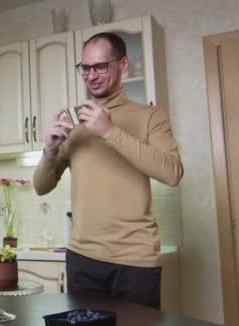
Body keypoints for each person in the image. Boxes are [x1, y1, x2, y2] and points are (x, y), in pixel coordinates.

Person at [32, 32, 184, 309]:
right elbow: (41, 186)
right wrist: (50, 151)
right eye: (85, 68)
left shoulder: (151, 116)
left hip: (135, 260)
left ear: (123, 65)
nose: (92, 76)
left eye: (100, 66)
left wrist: (110, 132)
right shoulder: (73, 120)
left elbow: (172, 173)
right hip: (82, 258)